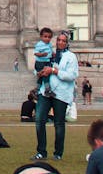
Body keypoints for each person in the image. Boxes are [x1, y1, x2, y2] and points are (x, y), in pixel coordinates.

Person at [32, 31, 78, 161]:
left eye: (63, 41)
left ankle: (58, 153)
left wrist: (54, 71)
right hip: (45, 92)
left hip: (61, 94)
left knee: (58, 123)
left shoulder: (71, 57)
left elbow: (72, 75)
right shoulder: (50, 54)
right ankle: (41, 151)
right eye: (58, 40)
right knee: (39, 120)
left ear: (67, 43)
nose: (60, 42)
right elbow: (38, 65)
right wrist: (39, 72)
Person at [32, 27, 54, 97]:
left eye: (49, 37)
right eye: (45, 37)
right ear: (41, 37)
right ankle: (47, 89)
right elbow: (35, 53)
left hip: (47, 61)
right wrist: (41, 54)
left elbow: (50, 51)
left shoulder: (49, 44)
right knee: (45, 75)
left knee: (41, 77)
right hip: (40, 63)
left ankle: (36, 90)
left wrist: (53, 54)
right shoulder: (39, 44)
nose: (47, 38)